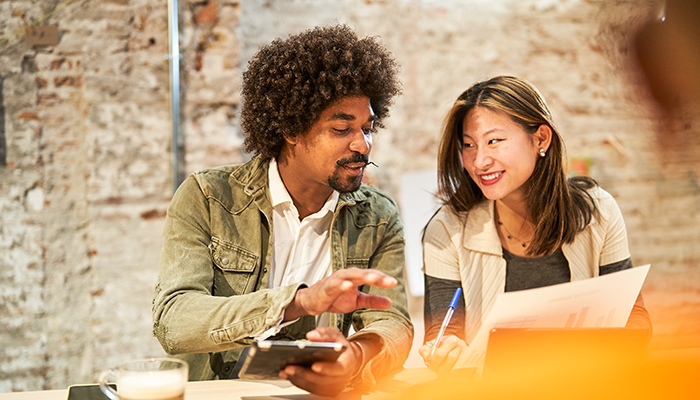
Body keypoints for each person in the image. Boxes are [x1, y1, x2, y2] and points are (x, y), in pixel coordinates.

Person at [152, 24, 413, 396]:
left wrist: (353, 355)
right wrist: (299, 302)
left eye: (368, 128)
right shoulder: (208, 197)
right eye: (342, 129)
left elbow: (392, 323)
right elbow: (174, 322)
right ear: (291, 129)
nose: (363, 144)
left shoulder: (377, 217)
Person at [418, 75, 652, 374]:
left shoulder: (598, 210)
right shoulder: (447, 229)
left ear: (540, 139)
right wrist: (446, 350)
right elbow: (442, 331)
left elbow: (635, 318)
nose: (479, 161)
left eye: (494, 141)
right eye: (468, 145)